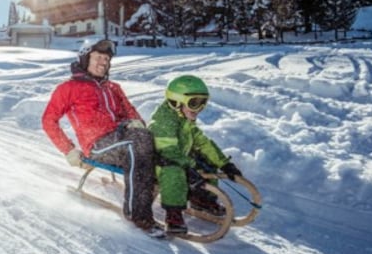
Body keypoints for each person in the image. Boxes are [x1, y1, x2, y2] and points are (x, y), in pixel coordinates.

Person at [42, 39, 163, 236]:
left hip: (123, 137)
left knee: (154, 140)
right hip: (98, 144)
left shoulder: (112, 87)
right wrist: (69, 150)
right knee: (137, 142)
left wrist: (136, 123)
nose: (103, 63)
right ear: (84, 59)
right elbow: (49, 120)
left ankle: (177, 196)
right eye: (98, 58)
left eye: (106, 60)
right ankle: (138, 214)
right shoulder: (68, 88)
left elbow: (132, 114)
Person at [149, 75, 244, 234]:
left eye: (202, 103)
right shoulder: (163, 121)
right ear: (175, 102)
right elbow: (168, 151)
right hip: (158, 165)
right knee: (175, 172)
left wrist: (224, 163)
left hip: (179, 160)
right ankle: (173, 214)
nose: (198, 109)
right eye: (194, 103)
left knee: (206, 162)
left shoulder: (185, 118)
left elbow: (202, 142)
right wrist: (189, 168)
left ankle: (202, 199)